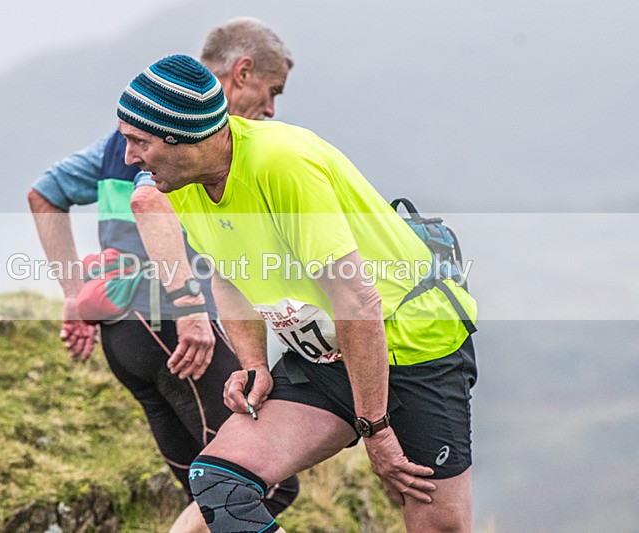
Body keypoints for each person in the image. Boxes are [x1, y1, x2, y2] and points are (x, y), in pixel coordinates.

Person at [116, 55, 479, 533]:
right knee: (220, 483)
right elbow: (229, 275)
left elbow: (358, 302)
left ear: (183, 137)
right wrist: (254, 365)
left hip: (410, 346)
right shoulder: (181, 180)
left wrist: (375, 427)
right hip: (323, 356)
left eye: (138, 141)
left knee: (440, 527)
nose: (128, 157)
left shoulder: (281, 163)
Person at [28, 19, 298, 532]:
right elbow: (150, 203)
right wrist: (193, 310)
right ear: (242, 73)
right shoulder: (182, 146)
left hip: (125, 336)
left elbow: (44, 193)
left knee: (208, 492)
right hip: (178, 330)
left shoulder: (119, 142)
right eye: (271, 91)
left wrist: (72, 294)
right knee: (269, 483)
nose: (271, 109)